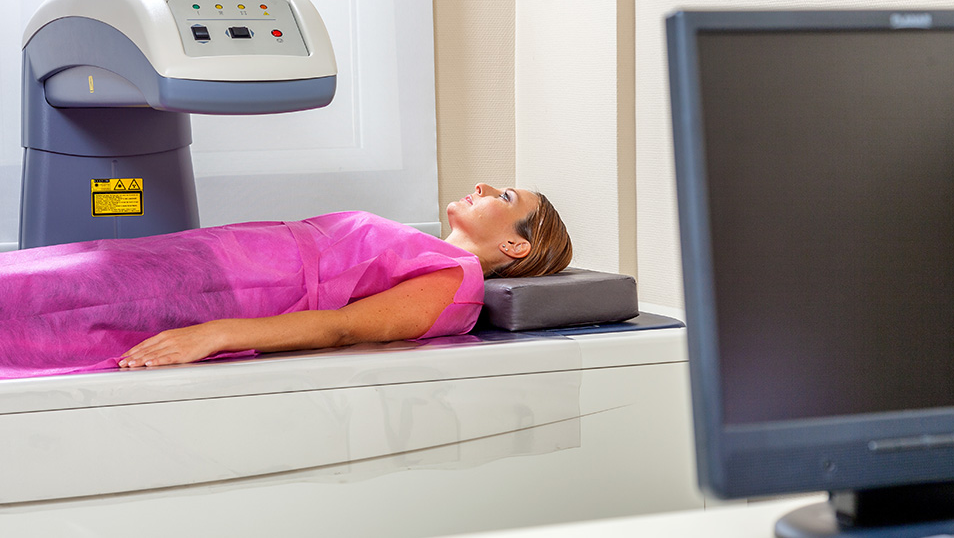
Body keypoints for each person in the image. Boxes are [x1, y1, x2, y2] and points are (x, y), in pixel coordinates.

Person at [0, 184, 572, 379]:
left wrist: (216, 333)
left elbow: (343, 328)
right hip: (209, 260)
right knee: (45, 272)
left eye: (504, 197)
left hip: (223, 290)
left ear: (516, 245)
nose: (485, 185)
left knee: (54, 299)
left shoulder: (459, 278)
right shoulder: (424, 246)